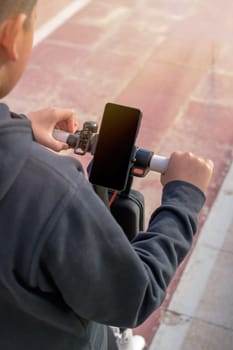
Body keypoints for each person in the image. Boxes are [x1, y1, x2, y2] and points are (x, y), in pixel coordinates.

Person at [0, 1, 213, 350]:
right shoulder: (50, 191)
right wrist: (184, 197)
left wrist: (17, 125)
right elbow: (134, 295)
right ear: (11, 35)